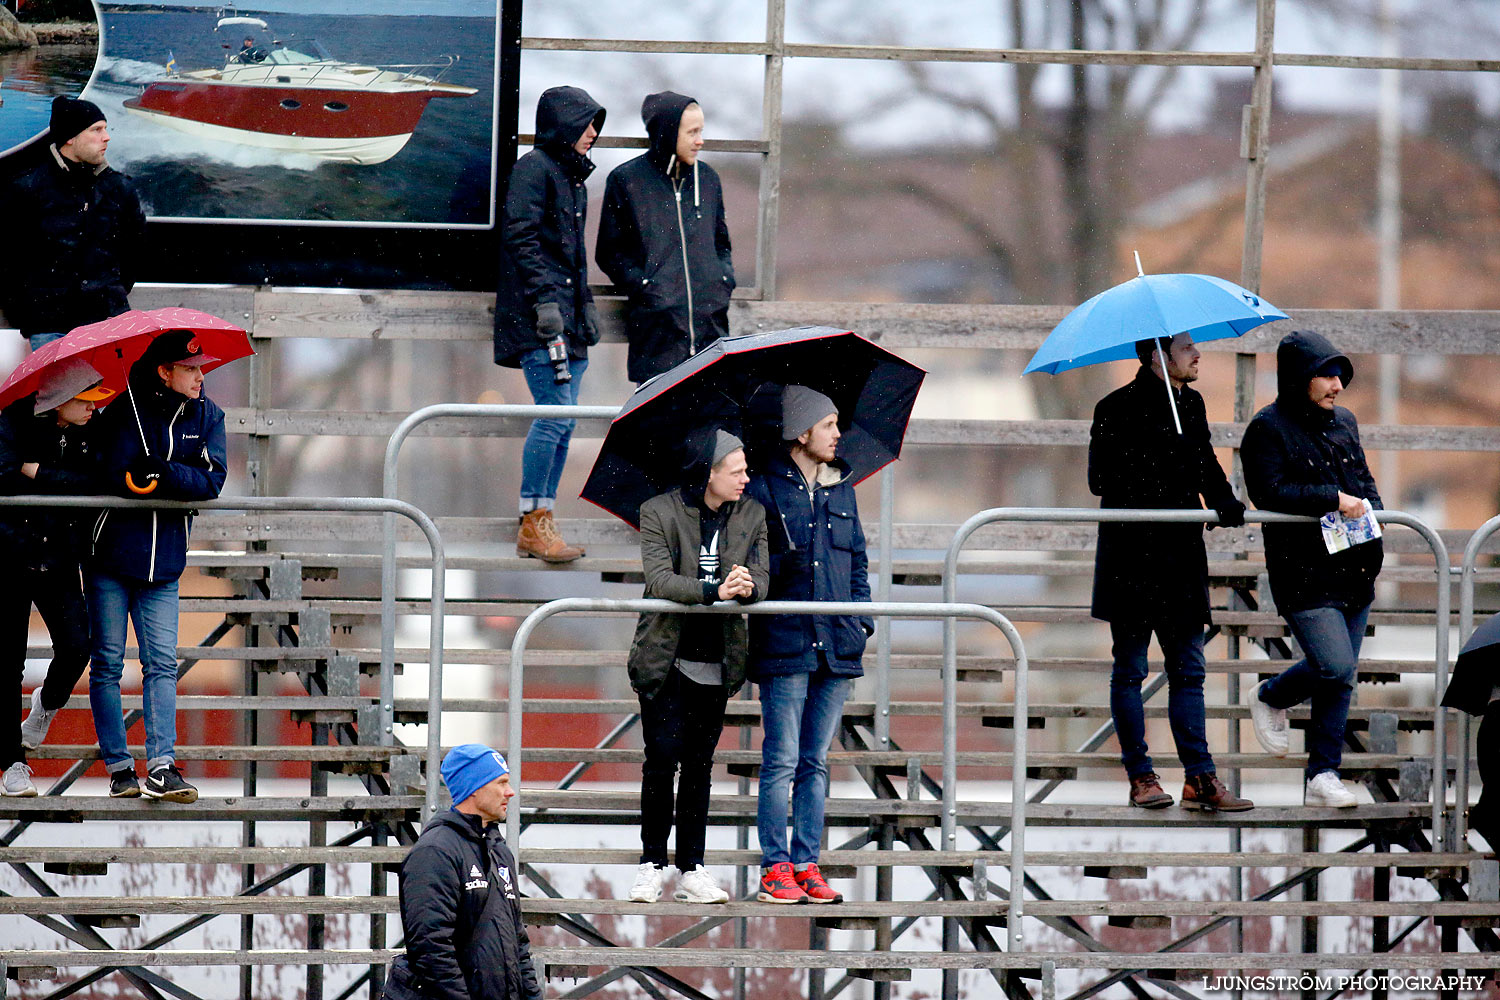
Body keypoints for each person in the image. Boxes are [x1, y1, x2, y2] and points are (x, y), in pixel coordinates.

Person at [1088, 333, 1253, 812]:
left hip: (1180, 559)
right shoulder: (1114, 406)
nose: (1197, 355)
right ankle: (1141, 776)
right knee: (1131, 670)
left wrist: (1222, 499)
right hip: (1132, 559)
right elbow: (1100, 479)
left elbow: (1204, 464)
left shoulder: (1193, 404)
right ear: (1158, 356)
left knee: (1189, 672)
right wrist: (1159, 457)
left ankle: (1200, 779)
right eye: (1186, 349)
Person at [626, 429, 768, 905]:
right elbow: (660, 579)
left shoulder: (752, 514)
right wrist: (715, 592)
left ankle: (692, 867)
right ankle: (651, 864)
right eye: (737, 470)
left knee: (700, 767)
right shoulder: (658, 511)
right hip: (666, 659)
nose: (746, 478)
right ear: (708, 473)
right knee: (662, 758)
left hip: (719, 659)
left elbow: (763, 578)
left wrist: (748, 585)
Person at [1242, 330, 1382, 809]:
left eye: (1339, 373)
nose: (1337, 384)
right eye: (1325, 374)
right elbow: (1268, 491)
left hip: (1355, 569)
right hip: (1304, 573)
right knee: (1334, 664)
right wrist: (1331, 498)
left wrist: (1374, 512)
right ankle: (1272, 695)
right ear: (1298, 378)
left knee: (1340, 679)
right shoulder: (1268, 428)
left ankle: (1322, 773)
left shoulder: (1345, 422)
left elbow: (1362, 480)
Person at [87, 330, 226, 803]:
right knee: (106, 664)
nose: (200, 377)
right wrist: (133, 474)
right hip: (110, 558)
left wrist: (166, 473)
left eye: (201, 368)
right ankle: (120, 769)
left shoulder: (209, 415)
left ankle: (162, 766)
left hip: (164, 564)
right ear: (165, 371)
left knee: (161, 665)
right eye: (190, 369)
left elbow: (212, 481)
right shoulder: (123, 410)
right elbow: (106, 471)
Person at [745, 387, 871, 904]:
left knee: (815, 761)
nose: (838, 434)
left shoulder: (844, 489)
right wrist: (779, 570)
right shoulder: (762, 489)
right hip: (785, 641)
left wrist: (862, 621)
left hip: (837, 643)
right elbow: (749, 560)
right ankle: (776, 867)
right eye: (828, 424)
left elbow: (858, 560)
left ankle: (807, 862)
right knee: (781, 760)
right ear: (802, 433)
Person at [494, 86, 606, 564]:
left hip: (567, 319)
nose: (593, 133)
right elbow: (521, 240)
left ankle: (541, 519)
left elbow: (571, 258)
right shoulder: (533, 170)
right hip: (541, 320)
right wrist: (547, 305)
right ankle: (531, 519)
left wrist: (584, 308)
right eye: (586, 123)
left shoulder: (570, 177)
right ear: (562, 124)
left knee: (565, 420)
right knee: (555, 415)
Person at [0, 359, 114, 796]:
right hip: (10, 555)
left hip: (60, 556)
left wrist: (39, 473)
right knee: (8, 662)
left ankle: (45, 706)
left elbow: (98, 482)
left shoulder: (93, 428)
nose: (92, 409)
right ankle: (13, 763)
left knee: (77, 647)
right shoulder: (12, 419)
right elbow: (2, 475)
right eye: (84, 401)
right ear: (58, 400)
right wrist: (41, 477)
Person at [596, 91, 734, 385]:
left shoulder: (708, 179)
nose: (700, 141)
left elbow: (721, 243)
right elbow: (609, 253)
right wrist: (647, 289)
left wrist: (721, 282)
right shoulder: (627, 180)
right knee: (659, 429)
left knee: (711, 428)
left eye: (701, 131)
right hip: (657, 341)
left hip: (712, 337)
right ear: (668, 132)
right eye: (692, 132)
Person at [384, 744, 542, 1000]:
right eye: (501, 783)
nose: (511, 792)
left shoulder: (499, 851)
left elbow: (518, 943)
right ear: (474, 788)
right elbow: (430, 949)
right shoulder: (435, 852)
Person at [0, 96, 146, 351]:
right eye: (96, 129)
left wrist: (112, 294)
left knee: (108, 393)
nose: (106, 137)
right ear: (70, 137)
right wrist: (29, 314)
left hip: (108, 321)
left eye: (106, 128)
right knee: (59, 393)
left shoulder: (119, 188)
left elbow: (135, 250)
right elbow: (8, 258)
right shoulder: (27, 189)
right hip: (49, 327)